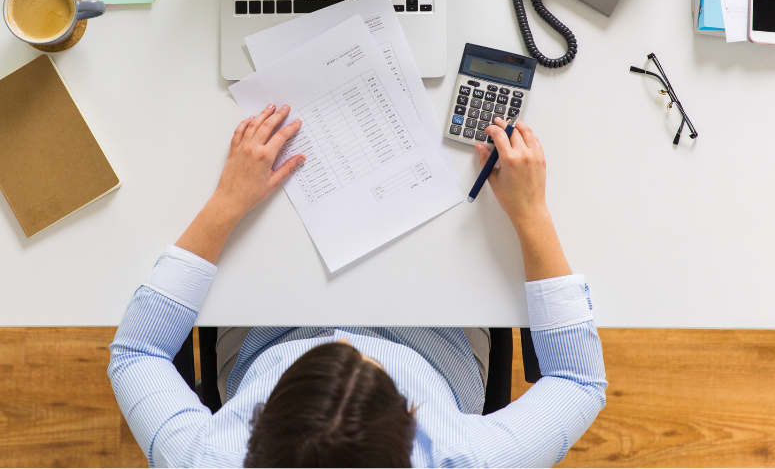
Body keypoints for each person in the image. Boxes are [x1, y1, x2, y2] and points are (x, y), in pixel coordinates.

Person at [108, 103, 607, 467]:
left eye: (331, 351)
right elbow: (578, 382)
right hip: (436, 344)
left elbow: (136, 353)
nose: (342, 337)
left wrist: (226, 203)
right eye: (365, 362)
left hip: (271, 333)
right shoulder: (468, 457)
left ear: (254, 431)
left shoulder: (209, 458)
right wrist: (531, 213)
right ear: (410, 429)